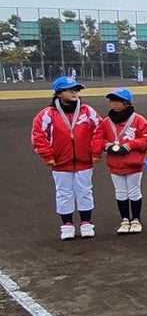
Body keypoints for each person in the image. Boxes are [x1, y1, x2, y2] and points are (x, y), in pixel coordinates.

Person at [32, 78, 101, 240]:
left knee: (85, 191)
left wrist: (96, 152)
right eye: (70, 90)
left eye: (76, 89)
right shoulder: (47, 114)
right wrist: (47, 156)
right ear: (59, 93)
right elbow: (38, 136)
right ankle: (67, 225)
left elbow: (99, 131)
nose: (74, 93)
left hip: (84, 161)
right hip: (60, 162)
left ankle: (86, 223)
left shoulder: (87, 111)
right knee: (64, 193)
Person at [93, 88, 147, 235]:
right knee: (120, 192)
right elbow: (99, 138)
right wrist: (108, 146)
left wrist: (130, 145)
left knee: (133, 190)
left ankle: (136, 219)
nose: (115, 104)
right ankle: (125, 219)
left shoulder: (138, 120)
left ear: (127, 103)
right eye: (112, 101)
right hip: (115, 163)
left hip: (133, 163)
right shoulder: (106, 122)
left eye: (118, 101)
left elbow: (146, 139)